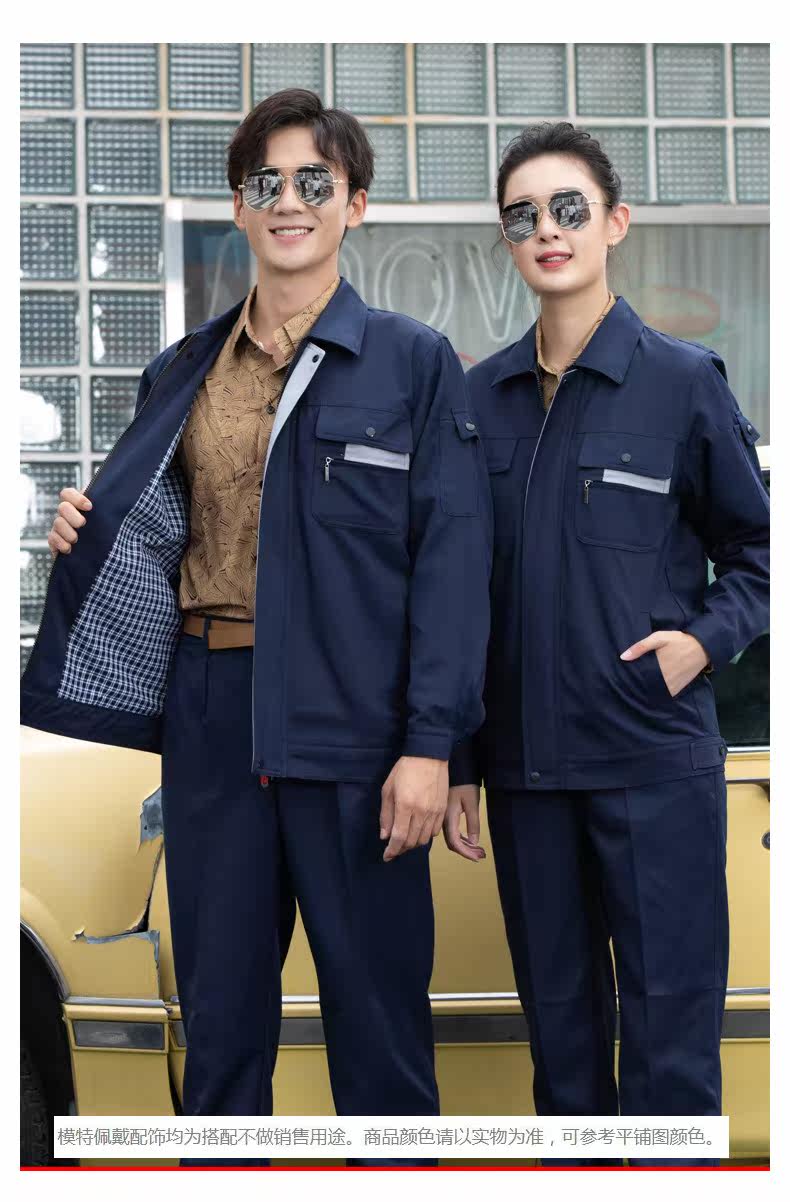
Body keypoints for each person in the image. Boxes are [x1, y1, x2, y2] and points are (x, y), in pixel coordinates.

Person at [21, 88, 492, 1168]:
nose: (289, 200)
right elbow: (154, 530)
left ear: (355, 204)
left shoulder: (414, 363)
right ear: (239, 207)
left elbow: (454, 566)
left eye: (314, 181)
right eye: (265, 182)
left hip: (356, 725)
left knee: (379, 1029)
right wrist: (83, 528)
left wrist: (432, 745)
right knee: (223, 1027)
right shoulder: (184, 371)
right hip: (214, 715)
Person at [444, 122, 769, 1167]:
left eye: (568, 207)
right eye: (523, 215)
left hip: (653, 766)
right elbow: (454, 593)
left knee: (670, 1057)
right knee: (565, 1058)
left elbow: (760, 551)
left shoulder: (681, 381)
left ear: (614, 223)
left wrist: (701, 641)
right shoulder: (478, 400)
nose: (547, 228)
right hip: (527, 777)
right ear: (507, 240)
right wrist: (457, 757)